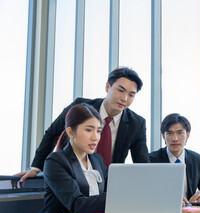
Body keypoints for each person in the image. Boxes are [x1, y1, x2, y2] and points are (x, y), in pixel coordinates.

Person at [15, 67, 149, 182]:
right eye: (120, 90)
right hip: (71, 178)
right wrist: (36, 168)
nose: (124, 98)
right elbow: (51, 134)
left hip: (107, 186)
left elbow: (142, 164)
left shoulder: (136, 123)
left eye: (131, 95)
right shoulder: (80, 107)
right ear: (107, 86)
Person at [38, 103, 107, 213]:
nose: (95, 137)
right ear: (70, 132)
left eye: (98, 131)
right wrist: (116, 197)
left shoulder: (97, 160)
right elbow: (77, 205)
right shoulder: (55, 161)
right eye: (89, 130)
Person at [149, 113, 200, 206]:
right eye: (169, 133)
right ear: (163, 136)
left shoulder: (196, 159)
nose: (175, 138)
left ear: (187, 135)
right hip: (161, 210)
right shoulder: (151, 160)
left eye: (180, 133)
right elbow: (146, 192)